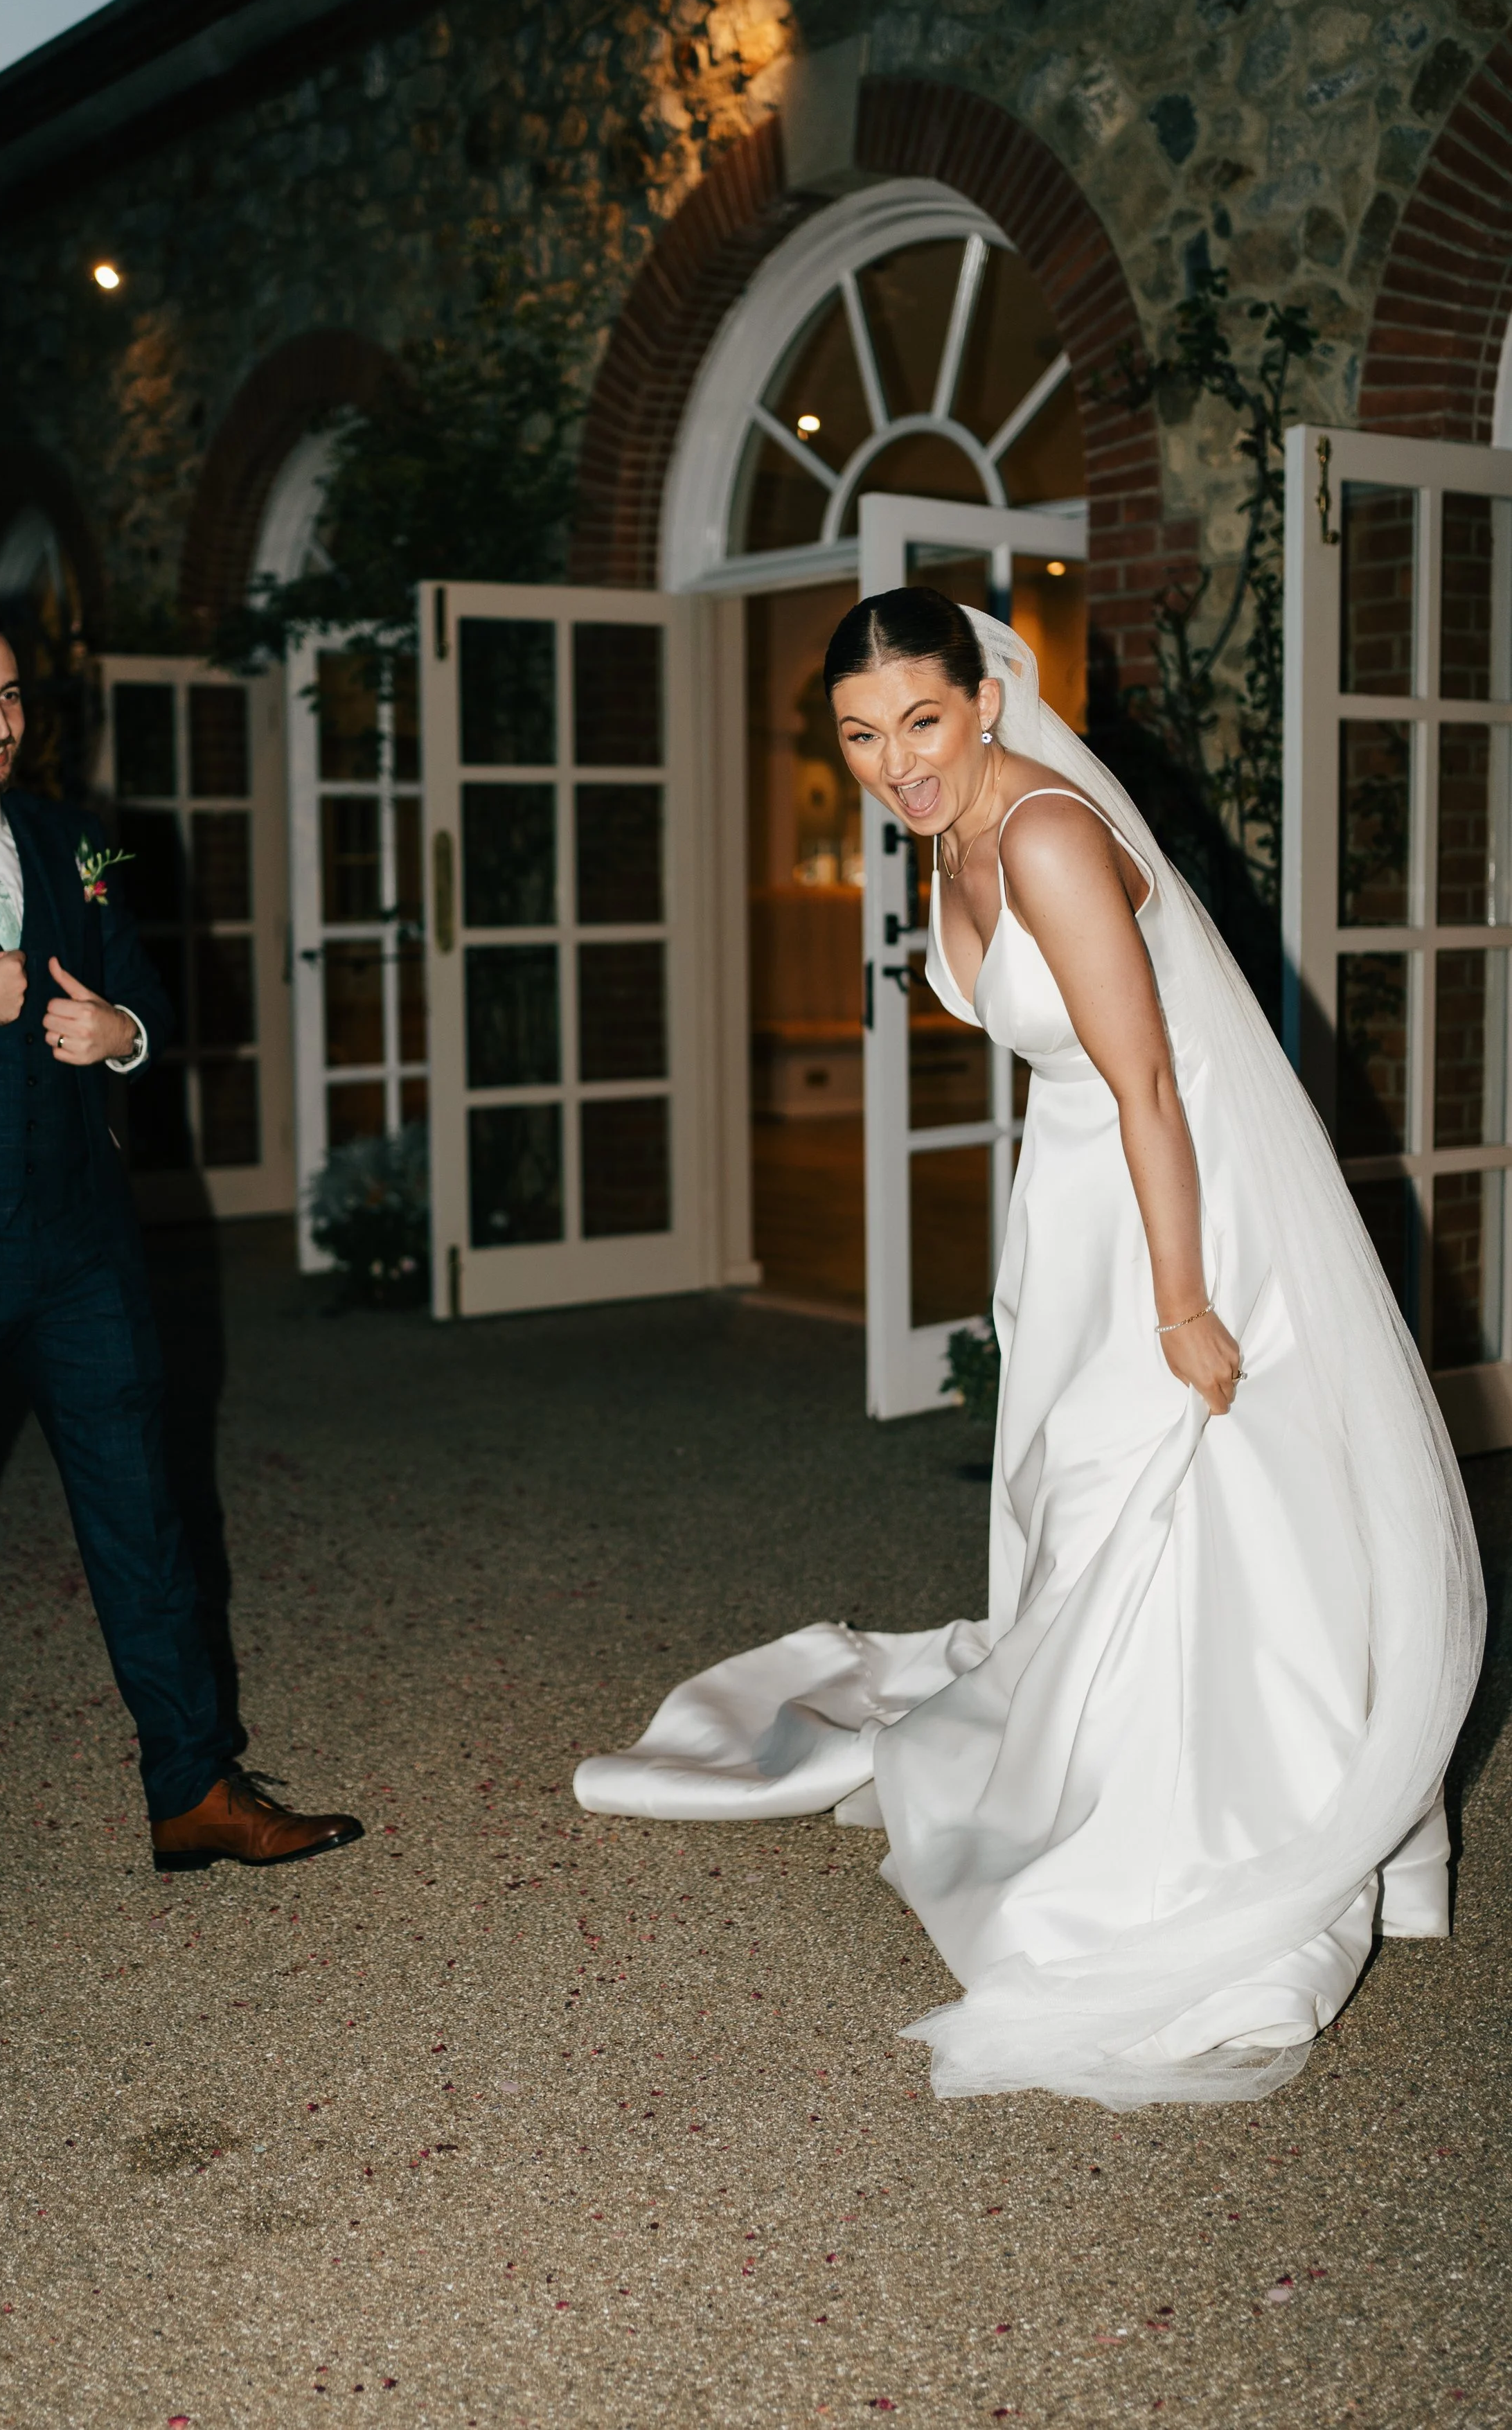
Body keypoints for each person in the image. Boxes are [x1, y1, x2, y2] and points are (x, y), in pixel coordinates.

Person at [576, 590, 1484, 2108]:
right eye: (860, 738)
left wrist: (1183, 1305)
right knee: (1080, 1500)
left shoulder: (1048, 833)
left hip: (1166, 1208)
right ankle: (1096, 1763)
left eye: (919, 723)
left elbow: (1147, 1086)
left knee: (1181, 1501)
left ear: (985, 700)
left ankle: (1222, 1819)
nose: (892, 764)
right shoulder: (947, 827)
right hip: (1075, 1200)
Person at [0, 595, 362, 1883]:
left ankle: (194, 1783)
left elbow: (144, 996)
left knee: (142, 1511)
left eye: (7, 695)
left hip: (78, 1251)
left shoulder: (73, 839)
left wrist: (124, 1039)